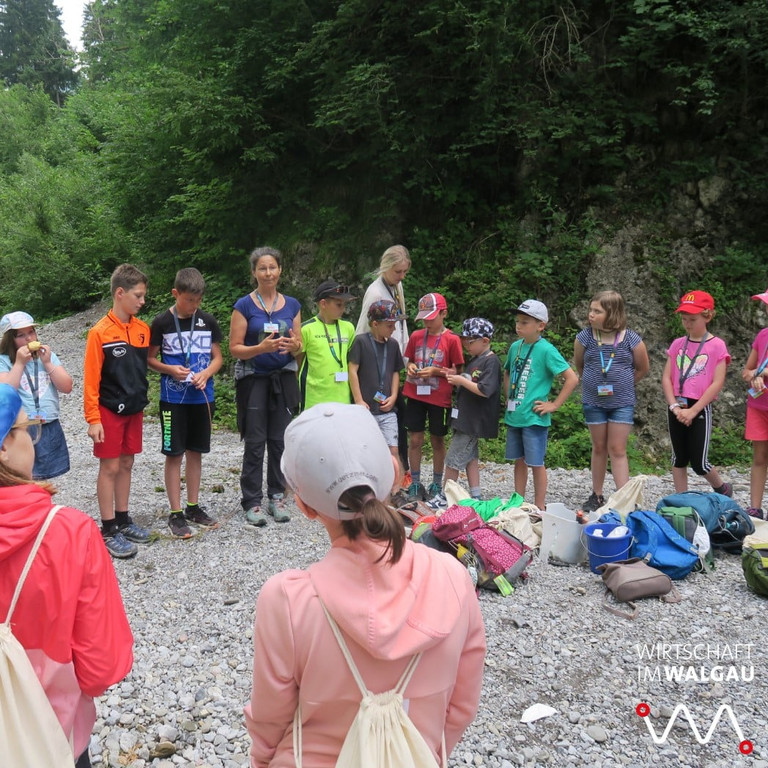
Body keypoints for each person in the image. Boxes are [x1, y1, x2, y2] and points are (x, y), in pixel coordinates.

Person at [244, 402, 486, 767]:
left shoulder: (287, 600)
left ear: (304, 505)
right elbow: (461, 708)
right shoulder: (453, 578)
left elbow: (269, 719)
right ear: (395, 473)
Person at [0, 383, 133, 768]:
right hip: (52, 731)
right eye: (27, 428)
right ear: (4, 446)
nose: (33, 440)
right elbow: (100, 666)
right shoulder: (70, 532)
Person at [230, 246, 302, 528]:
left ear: (280, 270)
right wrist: (260, 348)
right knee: (255, 440)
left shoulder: (292, 304)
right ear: (254, 272)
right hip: (254, 379)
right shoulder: (244, 306)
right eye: (262, 268)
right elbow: (235, 348)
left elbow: (299, 345)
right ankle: (252, 501)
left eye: (272, 267)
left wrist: (294, 345)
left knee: (280, 440)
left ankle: (277, 495)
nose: (268, 273)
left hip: (282, 379)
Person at [148, 268, 223, 538]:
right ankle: (176, 512)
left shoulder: (207, 320)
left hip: (202, 397)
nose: (194, 305)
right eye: (189, 300)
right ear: (175, 294)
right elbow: (150, 359)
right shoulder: (161, 322)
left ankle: (193, 506)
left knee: (195, 452)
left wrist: (207, 373)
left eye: (198, 300)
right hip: (173, 400)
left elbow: (218, 358)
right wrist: (170, 369)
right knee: (174, 453)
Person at [84, 263, 152, 559]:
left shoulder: (143, 329)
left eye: (144, 296)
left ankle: (123, 519)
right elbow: (91, 380)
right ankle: (108, 528)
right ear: (120, 293)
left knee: (126, 464)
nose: (142, 301)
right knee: (109, 467)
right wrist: (93, 419)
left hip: (134, 410)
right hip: (109, 411)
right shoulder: (99, 332)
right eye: (138, 296)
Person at [573, 291, 650, 512]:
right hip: (593, 402)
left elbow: (643, 368)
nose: (591, 314)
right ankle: (596, 495)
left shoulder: (631, 339)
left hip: (622, 403)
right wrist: (592, 382)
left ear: (613, 313)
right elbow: (580, 365)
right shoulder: (584, 337)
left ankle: (623, 498)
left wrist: (625, 384)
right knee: (598, 447)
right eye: (591, 309)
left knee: (617, 448)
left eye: (597, 311)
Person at [503, 299, 578, 510]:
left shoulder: (546, 350)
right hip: (515, 415)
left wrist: (554, 405)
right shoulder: (515, 347)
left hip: (534, 417)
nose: (518, 326)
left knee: (536, 462)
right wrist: (508, 395)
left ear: (540, 325)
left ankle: (539, 506)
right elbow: (507, 372)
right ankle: (518, 503)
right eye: (517, 321)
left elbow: (572, 378)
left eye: (524, 322)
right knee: (518, 460)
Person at [427, 318, 502, 508]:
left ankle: (445, 497)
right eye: (464, 341)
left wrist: (461, 380)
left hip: (473, 422)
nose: (466, 345)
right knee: (470, 458)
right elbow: (469, 381)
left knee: (453, 459)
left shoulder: (491, 362)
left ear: (485, 341)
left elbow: (484, 390)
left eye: (470, 341)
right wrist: (456, 376)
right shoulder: (475, 360)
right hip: (464, 419)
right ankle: (476, 496)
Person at [662, 290, 731, 494]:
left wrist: (693, 411)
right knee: (678, 458)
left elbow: (717, 382)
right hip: (677, 405)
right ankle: (681, 498)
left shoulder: (717, 345)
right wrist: (674, 406)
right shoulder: (677, 344)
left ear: (707, 316)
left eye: (692, 319)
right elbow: (666, 378)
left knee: (699, 462)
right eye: (684, 319)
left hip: (699, 406)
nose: (688, 324)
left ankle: (721, 488)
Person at [402, 292, 465, 500]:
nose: (427, 323)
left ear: (443, 314)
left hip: (439, 397)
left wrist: (436, 371)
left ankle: (437, 483)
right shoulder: (416, 336)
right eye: (424, 319)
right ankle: (415, 482)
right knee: (415, 439)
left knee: (437, 439)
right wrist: (411, 367)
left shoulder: (452, 339)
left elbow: (457, 371)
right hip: (415, 394)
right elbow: (410, 360)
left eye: (431, 318)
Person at [355, 245, 412, 472]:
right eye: (398, 271)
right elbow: (364, 329)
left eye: (405, 271)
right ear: (386, 267)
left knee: (399, 418)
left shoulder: (397, 286)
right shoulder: (375, 292)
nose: (402, 276)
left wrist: (407, 359)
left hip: (394, 357)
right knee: (387, 419)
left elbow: (402, 325)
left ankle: (400, 473)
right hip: (377, 364)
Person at [0, 311, 73, 479]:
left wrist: (47, 363)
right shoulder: (3, 361)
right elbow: (6, 392)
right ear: (10, 339)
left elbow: (67, 386)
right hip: (21, 429)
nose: (29, 338)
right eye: (21, 335)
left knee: (48, 477)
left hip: (48, 423)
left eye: (31, 332)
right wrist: (19, 363)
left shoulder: (46, 357)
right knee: (22, 476)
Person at [348, 300, 405, 457]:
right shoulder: (361, 341)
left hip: (387, 409)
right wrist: (358, 400)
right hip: (366, 410)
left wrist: (394, 396)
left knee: (393, 450)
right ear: (375, 324)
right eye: (389, 325)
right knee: (365, 450)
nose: (393, 329)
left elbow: (395, 372)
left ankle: (394, 474)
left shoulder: (393, 345)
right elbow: (352, 370)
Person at [298, 280, 356, 411]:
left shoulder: (348, 328)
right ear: (323, 303)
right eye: (339, 305)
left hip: (343, 400)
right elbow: (298, 362)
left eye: (344, 304)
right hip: (314, 401)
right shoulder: (306, 329)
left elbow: (351, 362)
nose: (343, 309)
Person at [742, 288, 768, 520]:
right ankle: (755, 508)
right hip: (758, 406)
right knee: (759, 457)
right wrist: (753, 375)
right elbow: (747, 370)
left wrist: (763, 372)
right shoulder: (763, 335)